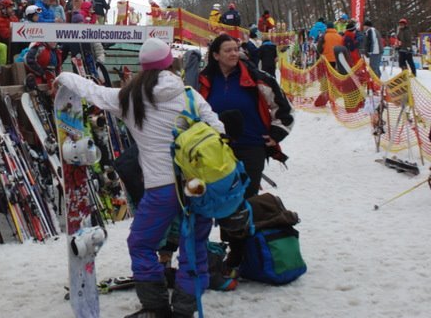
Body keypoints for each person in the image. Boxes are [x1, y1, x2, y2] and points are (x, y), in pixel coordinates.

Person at [56, 39, 225, 317]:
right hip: (198, 186)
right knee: (194, 248)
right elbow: (219, 130)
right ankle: (184, 311)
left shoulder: (129, 98)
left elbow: (94, 92)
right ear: (170, 64)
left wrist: (64, 76)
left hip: (161, 187)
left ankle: (156, 308)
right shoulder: (189, 95)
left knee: (141, 244)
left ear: (142, 67)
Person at [198, 34, 294, 276]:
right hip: (216, 150)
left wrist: (275, 134)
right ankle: (233, 248)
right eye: (228, 50)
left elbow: (283, 107)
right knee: (223, 199)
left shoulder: (256, 77)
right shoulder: (204, 80)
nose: (234, 54)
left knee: (245, 198)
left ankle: (240, 253)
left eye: (236, 49)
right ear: (216, 55)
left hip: (251, 146)